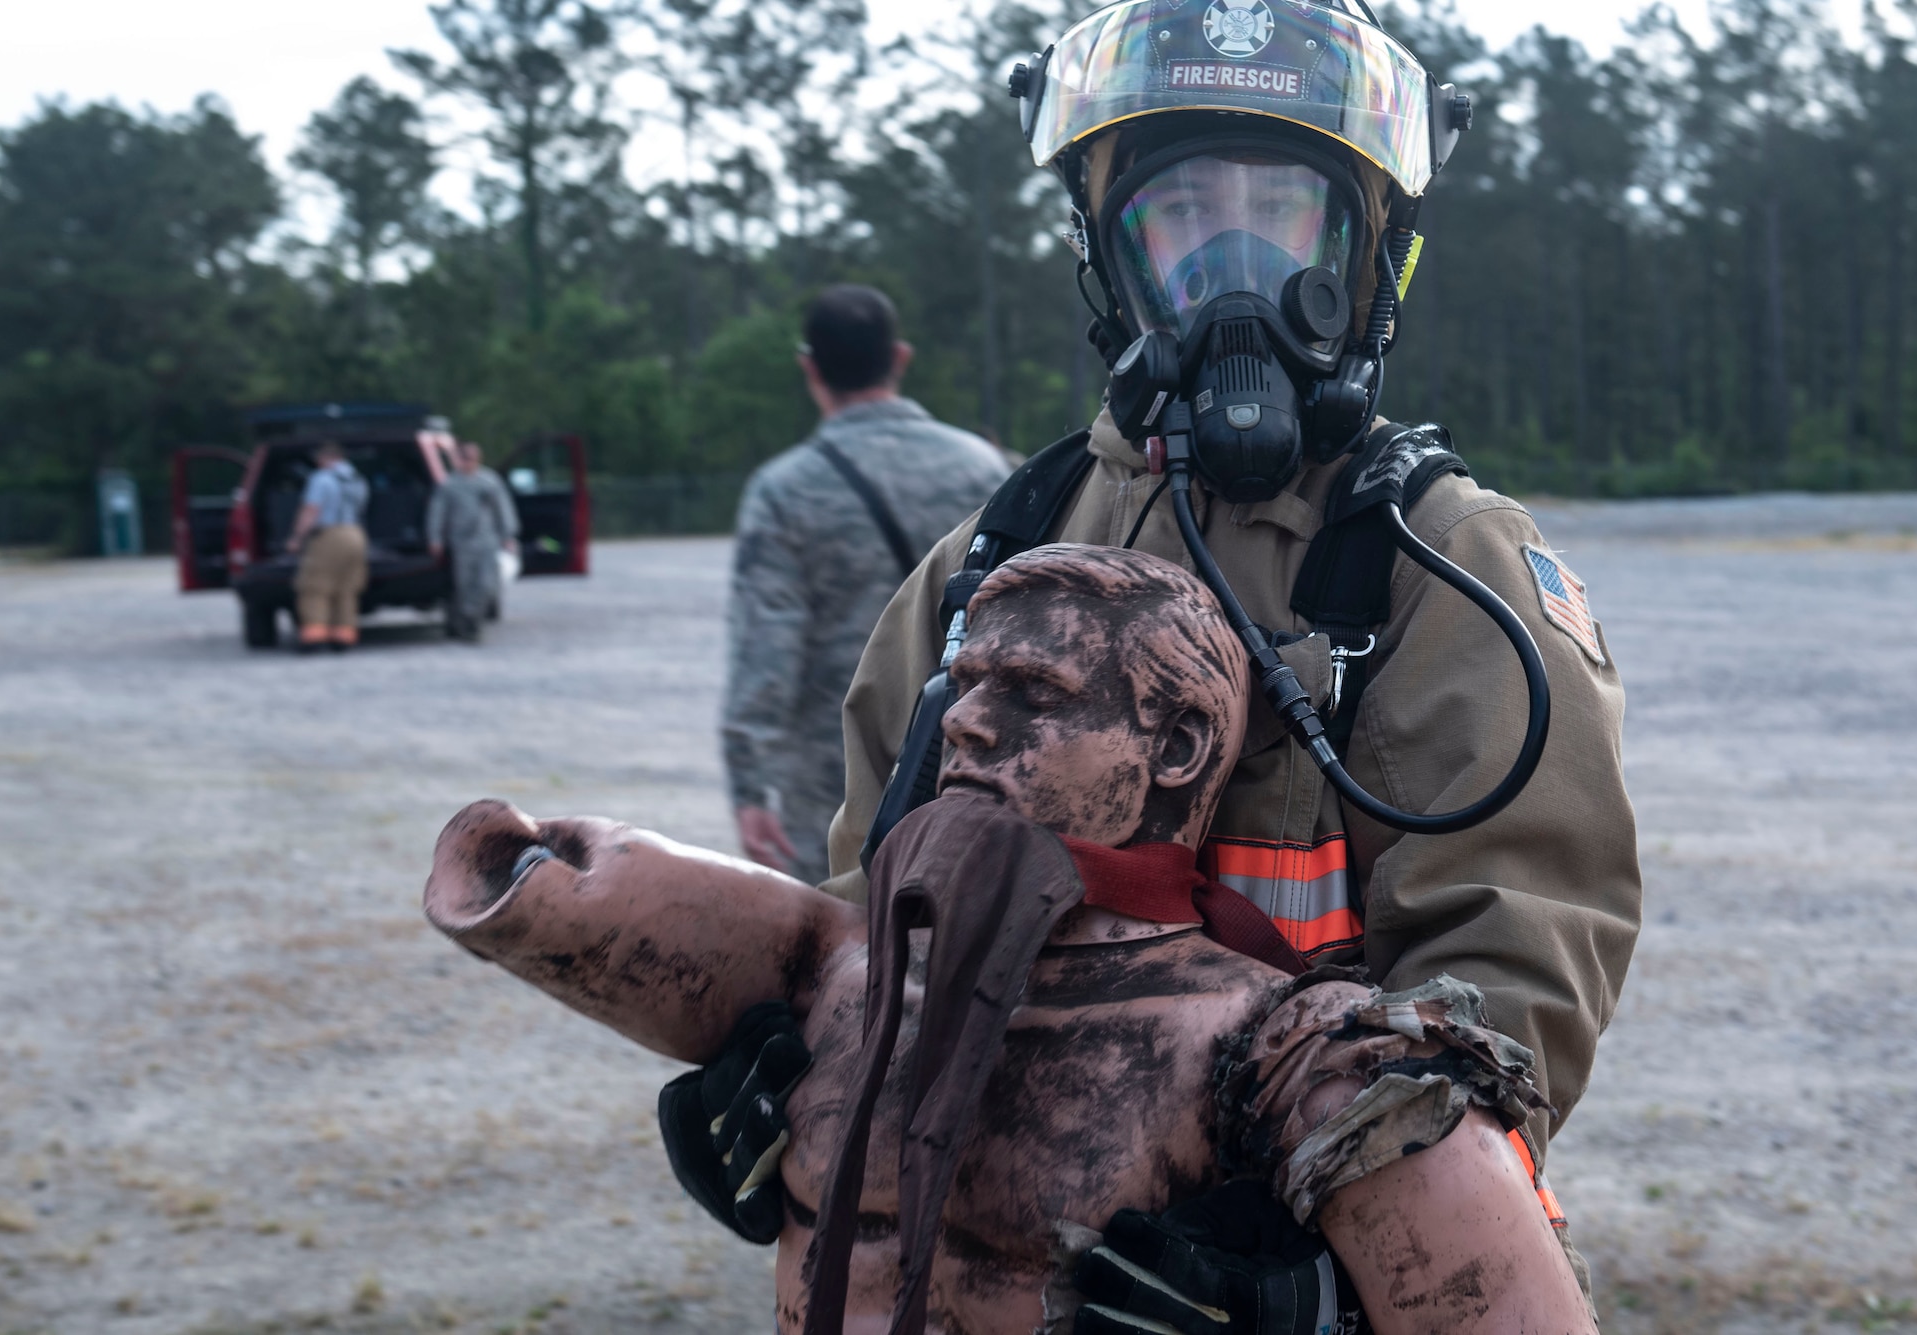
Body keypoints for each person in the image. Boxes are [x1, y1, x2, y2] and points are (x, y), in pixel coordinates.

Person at [681, 1, 1643, 1319]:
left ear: (1365, 256)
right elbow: (869, 922)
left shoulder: (1439, 564)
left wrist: (1323, 1266)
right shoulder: (984, 559)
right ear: (1111, 252)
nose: (1232, 262)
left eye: (1283, 211)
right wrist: (788, 1063)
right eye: (1184, 212)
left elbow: (1515, 973)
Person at [425, 545, 1595, 1335]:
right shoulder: (847, 982)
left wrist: (1325, 1308)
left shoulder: (1297, 1063)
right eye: (965, 684)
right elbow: (565, 889)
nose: (969, 721)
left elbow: (1521, 946)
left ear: (1177, 749)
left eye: (1028, 693)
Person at [722, 284, 1013, 884]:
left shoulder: (785, 490)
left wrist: (751, 784)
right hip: (970, 754)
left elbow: (766, 651)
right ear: (899, 358)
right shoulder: (984, 469)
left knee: (833, 950)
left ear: (809, 368)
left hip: (835, 776)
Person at [426, 441, 519, 643]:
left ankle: (473, 618)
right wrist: (435, 538)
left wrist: (508, 536)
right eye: (466, 458)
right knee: (464, 586)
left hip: (487, 542)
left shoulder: (489, 482)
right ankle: (468, 625)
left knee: (486, 585)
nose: (469, 462)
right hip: (462, 543)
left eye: (473, 458)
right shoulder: (449, 485)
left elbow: (503, 510)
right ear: (458, 460)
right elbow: (437, 513)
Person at [285, 440, 370, 653]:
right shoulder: (358, 479)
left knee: (315, 587)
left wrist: (296, 537)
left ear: (327, 458)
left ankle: (314, 638)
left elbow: (311, 510)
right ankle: (344, 637)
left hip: (330, 535)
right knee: (347, 588)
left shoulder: (321, 479)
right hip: (356, 534)